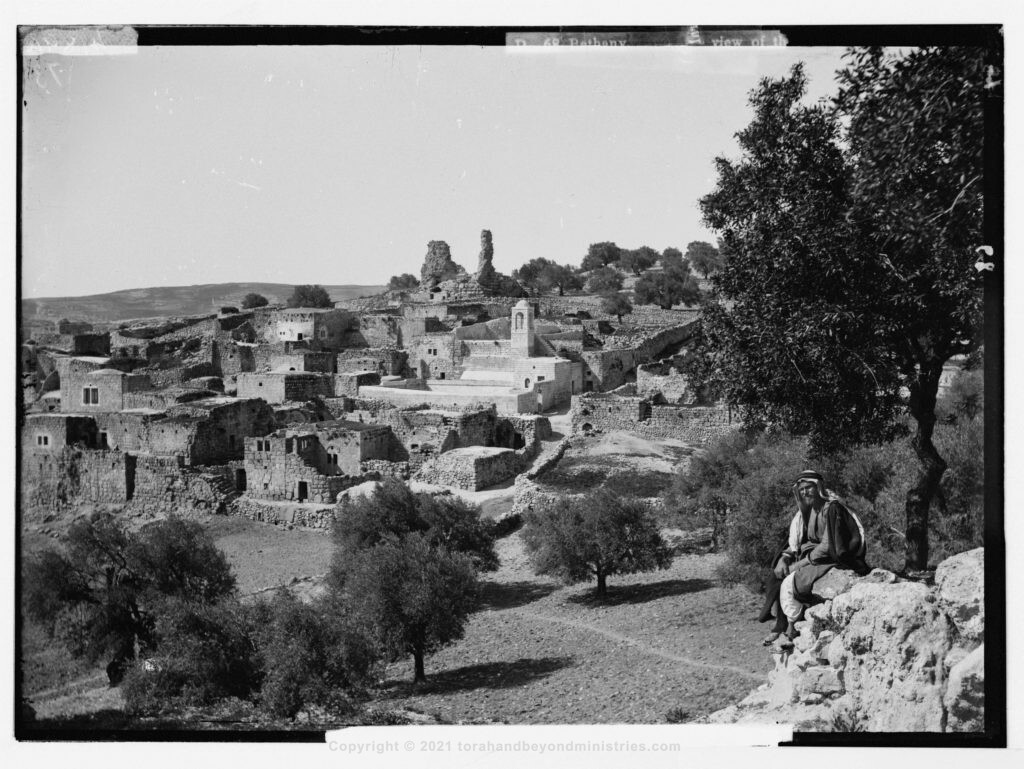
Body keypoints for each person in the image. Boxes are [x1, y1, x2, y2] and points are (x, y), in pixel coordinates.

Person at [759, 470, 869, 646]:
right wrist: (786, 557)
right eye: (801, 489)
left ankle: (790, 629)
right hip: (813, 555)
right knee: (776, 573)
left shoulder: (831, 508)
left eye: (808, 487)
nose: (805, 492)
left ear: (818, 487)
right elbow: (800, 540)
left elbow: (827, 546)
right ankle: (777, 623)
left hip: (832, 557)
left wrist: (800, 564)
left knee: (791, 582)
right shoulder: (808, 512)